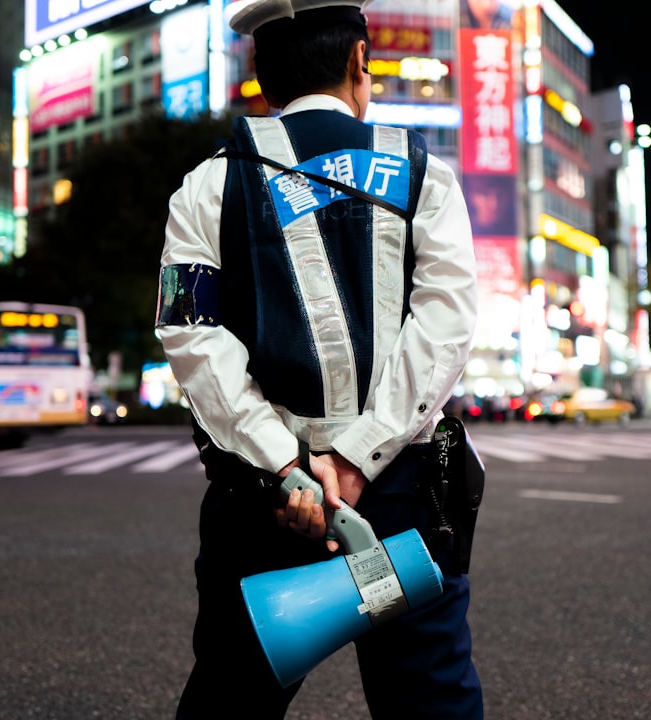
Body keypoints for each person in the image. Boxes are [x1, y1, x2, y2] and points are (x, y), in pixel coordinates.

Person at [153, 0, 483, 717]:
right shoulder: (427, 173)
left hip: (267, 500)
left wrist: (285, 466)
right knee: (428, 696)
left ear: (259, 74)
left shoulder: (208, 184)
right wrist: (358, 458)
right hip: (400, 496)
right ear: (359, 62)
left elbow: (190, 335)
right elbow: (446, 322)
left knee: (233, 696)